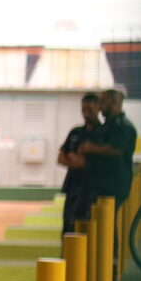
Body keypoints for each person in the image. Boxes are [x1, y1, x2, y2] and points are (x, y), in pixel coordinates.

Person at [79, 87, 140, 218]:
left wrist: (90, 148)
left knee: (107, 227)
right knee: (102, 227)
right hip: (103, 184)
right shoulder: (109, 125)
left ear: (114, 102)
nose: (99, 107)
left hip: (113, 186)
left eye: (102, 102)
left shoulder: (121, 125)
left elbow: (115, 149)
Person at [58, 92, 102, 226]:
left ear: (98, 108)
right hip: (73, 187)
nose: (86, 113)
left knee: (87, 227)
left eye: (90, 109)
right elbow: (60, 157)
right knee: (68, 225)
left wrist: (75, 160)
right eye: (83, 109)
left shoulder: (103, 133)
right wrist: (78, 162)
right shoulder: (75, 132)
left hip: (93, 188)